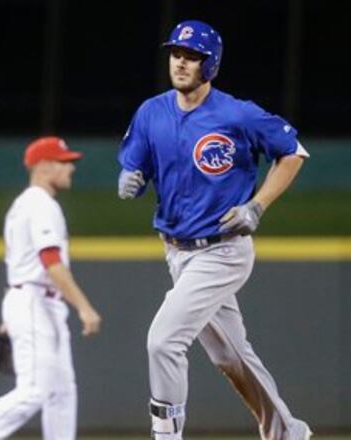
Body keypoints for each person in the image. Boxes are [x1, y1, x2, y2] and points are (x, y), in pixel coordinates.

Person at [117, 20, 312, 440]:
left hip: (223, 251)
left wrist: (258, 205)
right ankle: (288, 432)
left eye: (192, 56)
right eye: (176, 54)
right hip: (177, 252)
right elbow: (136, 163)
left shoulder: (237, 113)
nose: (181, 62)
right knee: (231, 355)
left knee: (164, 341)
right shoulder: (151, 111)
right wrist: (131, 176)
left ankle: (166, 435)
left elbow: (293, 153)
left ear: (211, 64)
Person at [0, 136, 102, 440]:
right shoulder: (40, 203)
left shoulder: (25, 204)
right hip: (34, 300)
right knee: (34, 391)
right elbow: (50, 261)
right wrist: (84, 307)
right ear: (43, 166)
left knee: (62, 392)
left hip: (35, 300)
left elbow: (22, 262)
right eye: (64, 162)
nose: (71, 169)